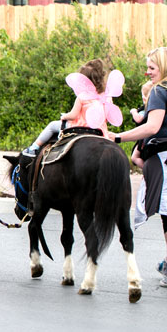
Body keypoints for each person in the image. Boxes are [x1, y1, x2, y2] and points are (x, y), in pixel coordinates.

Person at [111, 47, 167, 288]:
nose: (147, 72)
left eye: (152, 68)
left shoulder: (159, 91)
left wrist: (118, 137)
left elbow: (152, 127)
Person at [22, 59, 121, 157]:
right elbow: (107, 117)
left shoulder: (83, 96)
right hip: (100, 130)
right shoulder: (107, 97)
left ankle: (34, 148)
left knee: (52, 126)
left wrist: (65, 117)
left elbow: (73, 116)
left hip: (79, 127)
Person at [131, 80, 154, 168]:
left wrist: (133, 112)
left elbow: (139, 119)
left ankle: (146, 170)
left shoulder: (145, 109)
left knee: (134, 157)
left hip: (144, 138)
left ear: (144, 98)